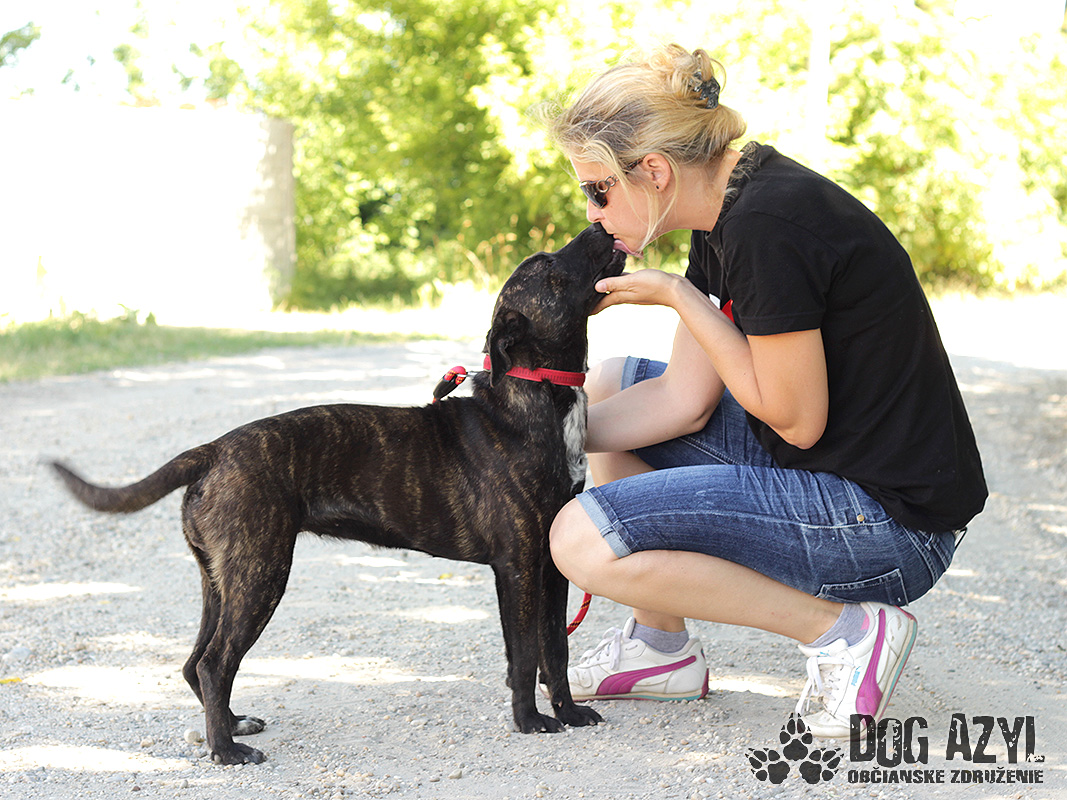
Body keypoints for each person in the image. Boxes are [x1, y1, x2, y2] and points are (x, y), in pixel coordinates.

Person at [542, 43, 987, 738]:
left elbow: (795, 420)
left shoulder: (767, 227)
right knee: (605, 386)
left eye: (598, 189)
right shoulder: (726, 212)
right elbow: (681, 401)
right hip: (829, 474)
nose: (594, 213)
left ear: (653, 171)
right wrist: (532, 434)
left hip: (890, 526)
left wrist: (679, 297)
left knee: (579, 541)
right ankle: (658, 648)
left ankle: (845, 633)